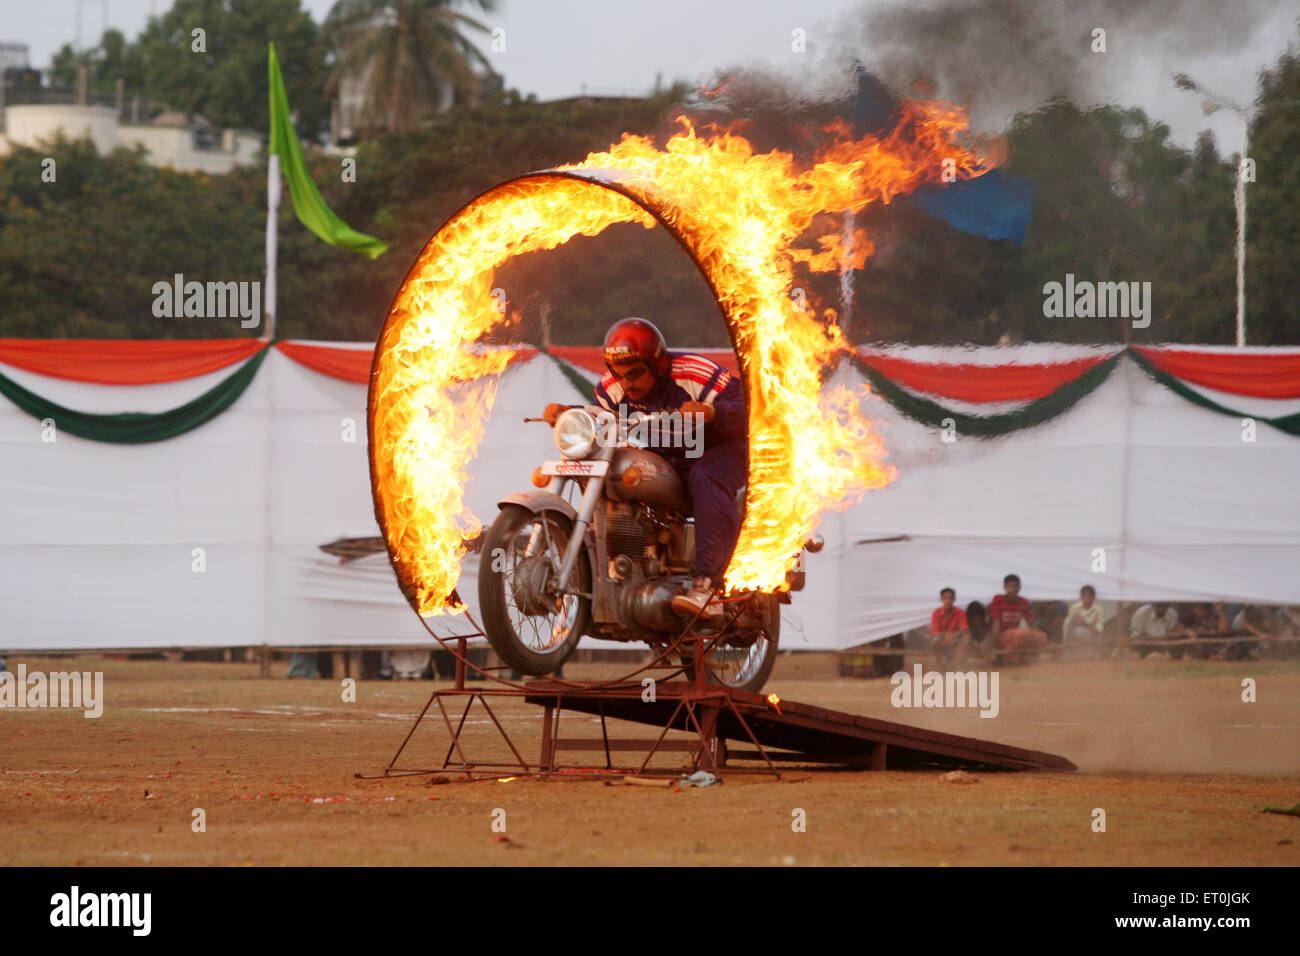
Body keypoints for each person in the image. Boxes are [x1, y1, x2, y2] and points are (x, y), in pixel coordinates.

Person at [542, 318, 747, 620]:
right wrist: (568, 413)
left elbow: (749, 406)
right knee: (616, 472)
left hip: (720, 450)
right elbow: (598, 417)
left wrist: (713, 411)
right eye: (619, 374)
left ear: (659, 363)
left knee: (706, 477)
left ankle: (708, 587)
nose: (627, 383)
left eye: (635, 373)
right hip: (668, 459)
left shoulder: (692, 373)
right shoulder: (614, 389)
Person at [989, 574, 1047, 665]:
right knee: (1022, 634)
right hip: (1002, 636)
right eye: (1010, 586)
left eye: (1016, 586)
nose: (1013, 589)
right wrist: (992, 645)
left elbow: (1031, 622)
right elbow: (995, 624)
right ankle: (1007, 658)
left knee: (1041, 637)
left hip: (1017, 636)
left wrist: (1037, 636)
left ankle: (1025, 658)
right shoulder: (998, 600)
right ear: (1005, 588)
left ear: (1020, 588)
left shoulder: (1023, 602)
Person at [929, 587, 969, 668]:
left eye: (951, 598)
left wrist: (952, 636)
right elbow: (934, 632)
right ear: (941, 599)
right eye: (945, 598)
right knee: (935, 641)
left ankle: (956, 664)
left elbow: (964, 629)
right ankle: (939, 665)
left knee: (967, 638)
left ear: (954, 599)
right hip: (942, 639)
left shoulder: (960, 613)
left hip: (955, 639)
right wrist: (947, 636)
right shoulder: (936, 613)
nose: (948, 600)